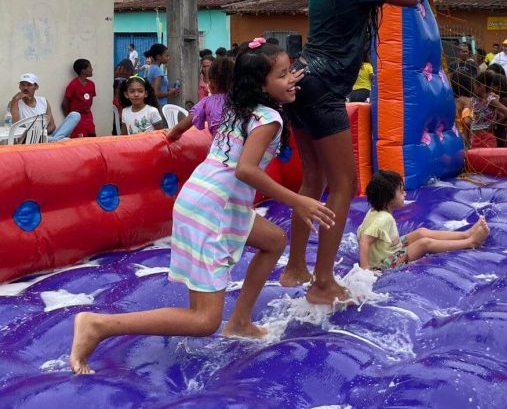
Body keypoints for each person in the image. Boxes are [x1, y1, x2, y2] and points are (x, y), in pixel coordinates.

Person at [69, 41, 335, 374]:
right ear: (260, 84)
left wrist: (287, 79)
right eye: (283, 74)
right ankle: (99, 325)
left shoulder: (237, 106)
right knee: (204, 320)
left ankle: (240, 321)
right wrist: (300, 200)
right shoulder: (267, 118)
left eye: (291, 71)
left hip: (205, 199)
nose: (292, 79)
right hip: (214, 210)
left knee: (273, 241)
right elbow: (246, 170)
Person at [281, 0, 449, 304]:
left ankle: (295, 268)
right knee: (343, 184)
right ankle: (323, 283)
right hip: (324, 92)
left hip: (301, 83)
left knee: (312, 182)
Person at [358, 170, 488, 271]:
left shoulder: (375, 211)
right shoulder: (383, 219)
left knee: (421, 232)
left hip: (388, 249)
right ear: (388, 199)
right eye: (401, 191)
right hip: (384, 264)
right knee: (424, 243)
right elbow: (365, 240)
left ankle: (465, 234)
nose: (405, 193)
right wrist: (366, 270)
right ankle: (470, 242)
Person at [168, 56, 233, 140]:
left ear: (212, 83)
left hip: (217, 150)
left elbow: (180, 128)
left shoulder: (206, 102)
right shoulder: (240, 99)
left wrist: (171, 135)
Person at [8, 73, 80, 142]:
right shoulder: (15, 103)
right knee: (59, 139)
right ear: (19, 87)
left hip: (46, 136)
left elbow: (52, 126)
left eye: (29, 85)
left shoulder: (43, 101)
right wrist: (15, 99)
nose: (25, 88)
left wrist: (41, 134)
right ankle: (56, 139)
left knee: (75, 115)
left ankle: (54, 139)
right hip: (29, 139)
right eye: (22, 85)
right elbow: (15, 125)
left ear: (36, 87)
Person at [462, 70, 507, 149]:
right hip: (474, 138)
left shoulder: (490, 100)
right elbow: (468, 122)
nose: (473, 89)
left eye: (475, 86)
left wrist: (494, 123)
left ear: (481, 86)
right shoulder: (472, 100)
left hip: (487, 139)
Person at [62, 59, 96, 138]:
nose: (92, 69)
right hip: (77, 118)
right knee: (80, 141)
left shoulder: (91, 84)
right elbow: (64, 104)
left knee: (92, 138)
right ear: (83, 71)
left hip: (88, 117)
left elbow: (90, 102)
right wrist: (71, 118)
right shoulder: (73, 84)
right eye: (90, 67)